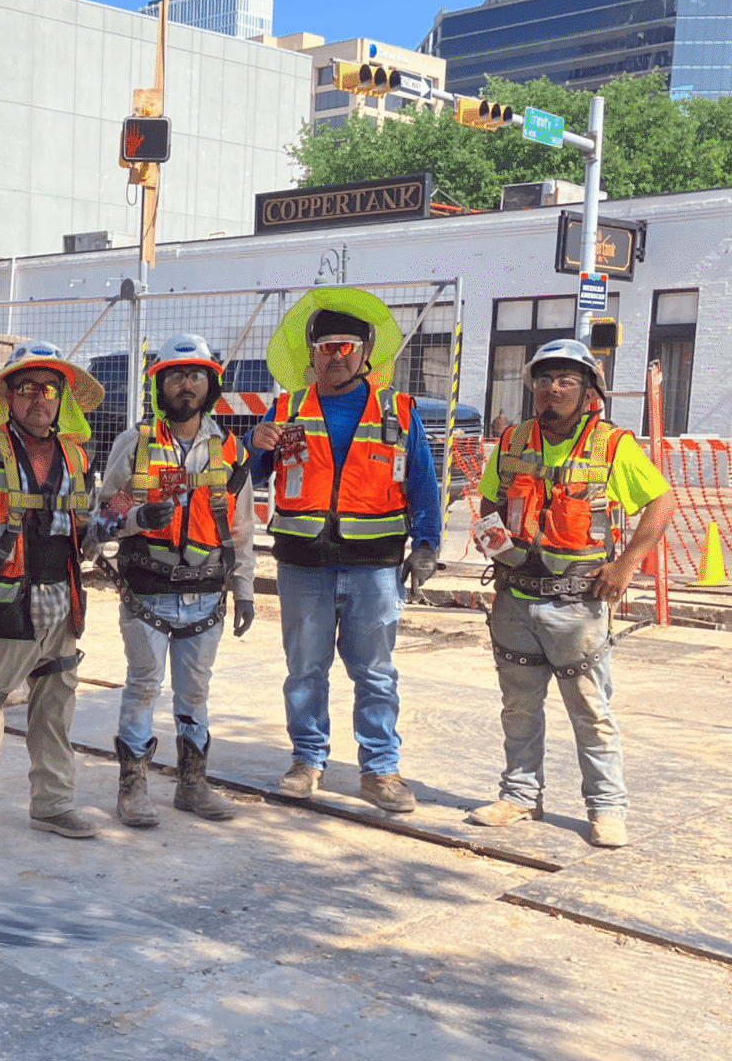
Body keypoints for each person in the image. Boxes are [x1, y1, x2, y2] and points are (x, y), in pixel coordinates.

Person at [468, 338, 674, 848]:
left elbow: (663, 505)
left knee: (590, 710)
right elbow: (489, 505)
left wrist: (626, 565)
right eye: (543, 379)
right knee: (518, 706)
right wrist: (494, 544)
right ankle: (519, 795)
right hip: (515, 598)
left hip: (578, 604)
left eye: (565, 381)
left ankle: (607, 807)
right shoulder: (514, 441)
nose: (551, 389)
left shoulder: (611, 445)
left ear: (588, 393)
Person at [248, 290, 441, 814]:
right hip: (302, 564)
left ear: (365, 354)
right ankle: (307, 760)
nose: (335, 355)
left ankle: (380, 770)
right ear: (311, 353)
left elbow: (423, 483)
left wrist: (426, 544)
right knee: (304, 670)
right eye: (325, 346)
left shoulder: (397, 412)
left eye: (346, 346)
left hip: (374, 568)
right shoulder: (285, 409)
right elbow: (250, 476)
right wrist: (254, 444)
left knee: (375, 673)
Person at [0, 342, 104, 853]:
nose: (38, 400)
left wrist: (121, 522)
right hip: (3, 604)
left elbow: (85, 533)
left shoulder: (76, 455)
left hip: (62, 605)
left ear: (61, 399)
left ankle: (52, 806)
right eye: (26, 388)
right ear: (8, 396)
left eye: (48, 390)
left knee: (54, 713)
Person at [90, 334, 257, 827]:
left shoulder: (229, 449)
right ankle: (133, 786)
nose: (188, 386)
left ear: (211, 384)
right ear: (159, 383)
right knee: (143, 688)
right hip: (147, 592)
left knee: (195, 696)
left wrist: (244, 588)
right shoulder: (136, 444)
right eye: (178, 376)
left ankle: (193, 783)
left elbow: (242, 528)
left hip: (206, 596)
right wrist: (139, 516)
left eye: (197, 376)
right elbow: (101, 520)